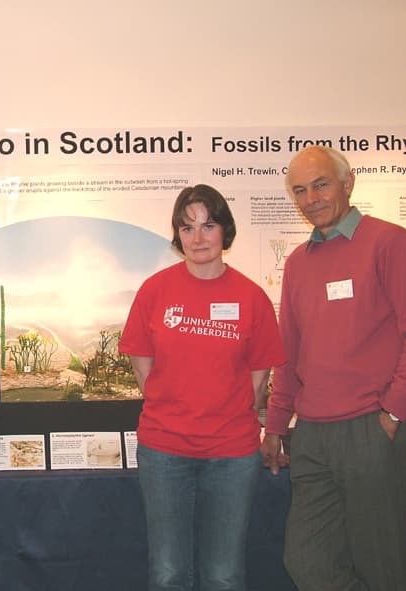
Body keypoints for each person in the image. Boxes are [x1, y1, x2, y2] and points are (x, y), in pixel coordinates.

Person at [119, 184, 284, 591]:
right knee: (168, 572)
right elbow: (142, 362)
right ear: (178, 235)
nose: (198, 237)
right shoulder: (155, 291)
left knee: (224, 575)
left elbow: (259, 375)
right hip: (164, 451)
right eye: (187, 227)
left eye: (208, 225)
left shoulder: (251, 297)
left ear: (225, 230)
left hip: (232, 453)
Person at [262, 146, 406, 590]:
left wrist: (394, 412)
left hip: (371, 427)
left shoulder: (389, 242)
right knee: (308, 561)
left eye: (321, 185)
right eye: (300, 191)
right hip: (312, 435)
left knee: (382, 563)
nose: (312, 199)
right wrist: (276, 422)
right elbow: (289, 348)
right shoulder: (298, 262)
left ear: (348, 183)